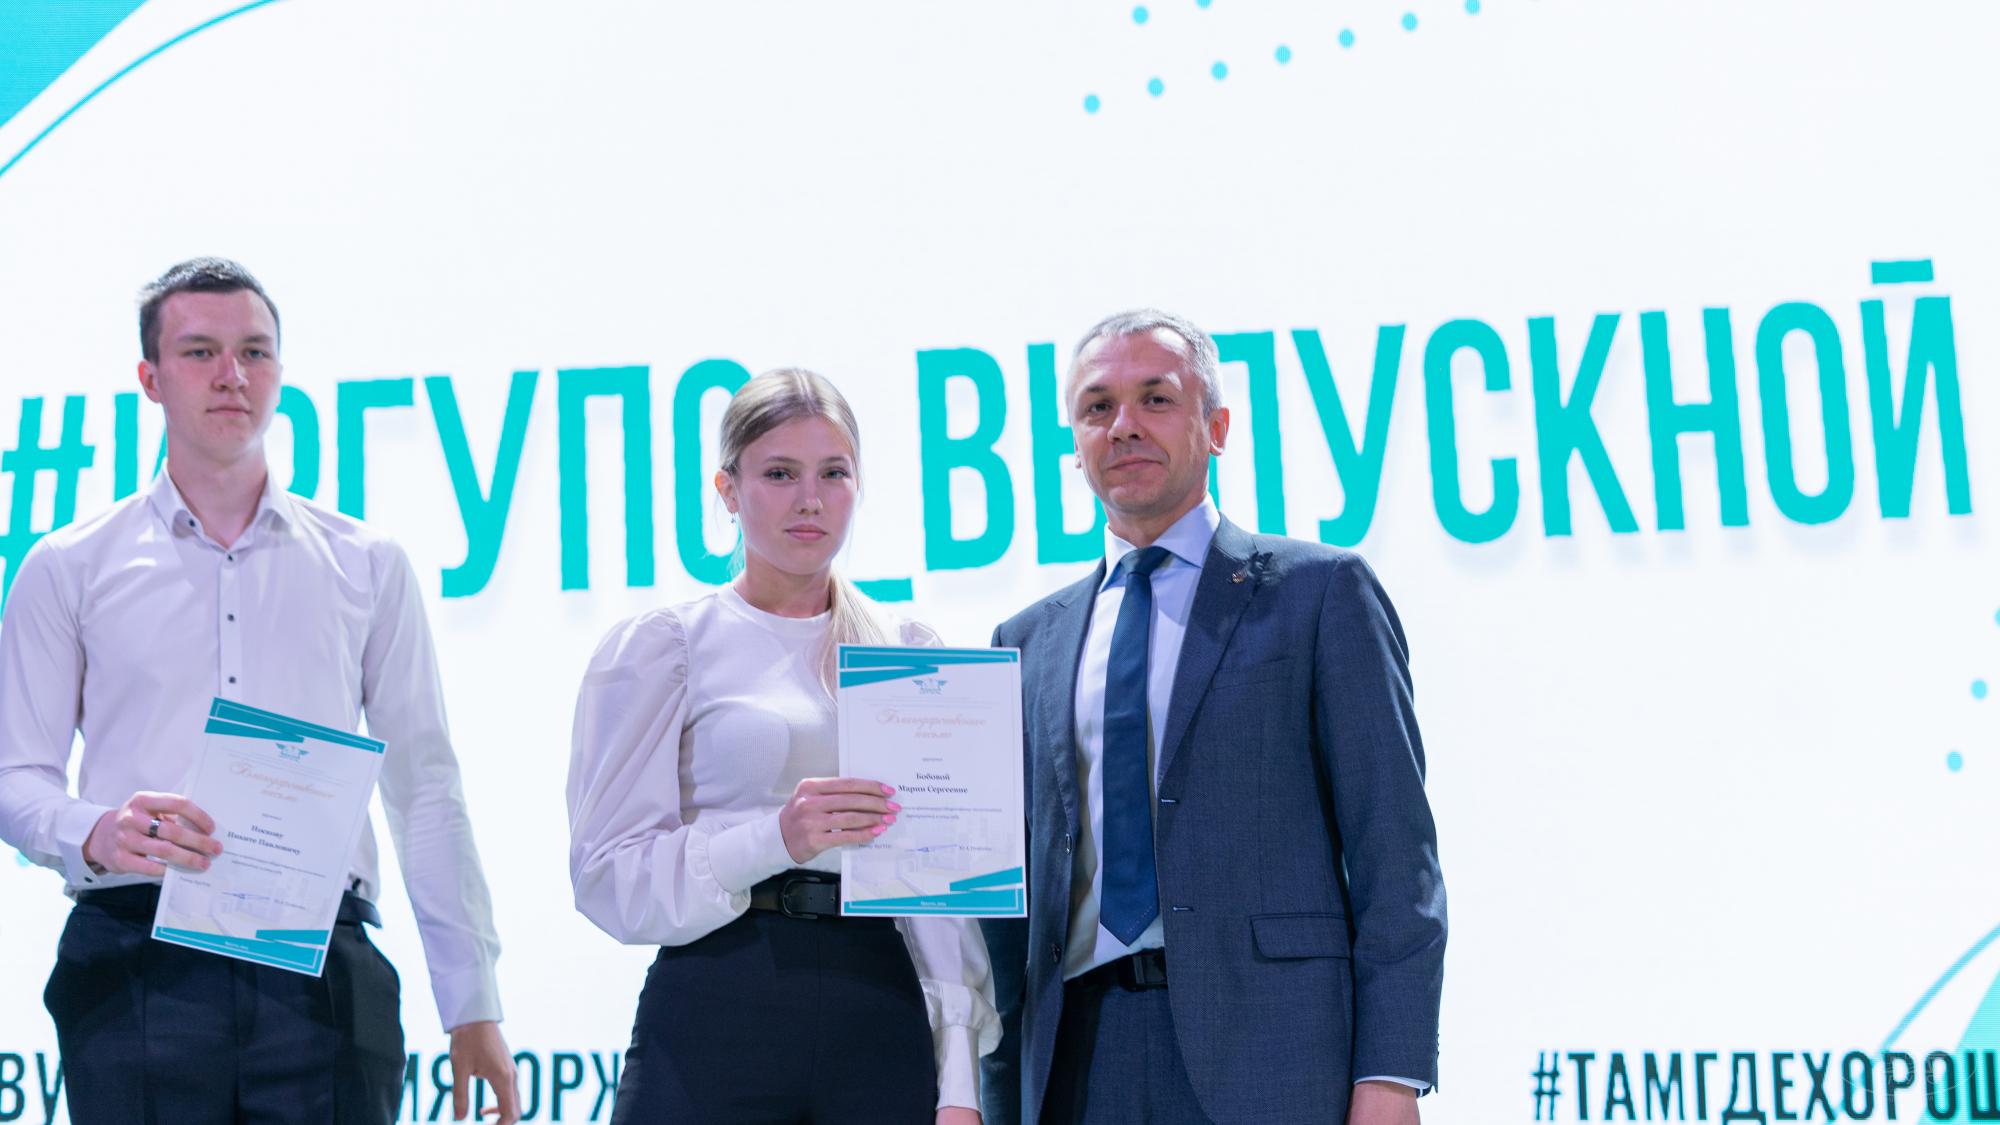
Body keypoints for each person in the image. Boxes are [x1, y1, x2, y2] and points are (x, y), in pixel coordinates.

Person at [0, 257, 520, 1123]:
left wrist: (472, 1000)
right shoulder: (69, 566)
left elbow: (425, 786)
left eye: (254, 351)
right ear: (150, 378)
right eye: (200, 351)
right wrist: (94, 829)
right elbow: (15, 775)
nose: (232, 375)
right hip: (136, 955)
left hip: (321, 964)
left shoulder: (366, 563)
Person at [979, 310, 1447, 1124]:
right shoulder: (1024, 643)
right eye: (1098, 407)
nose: (1124, 425)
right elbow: (1006, 908)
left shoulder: (1320, 592)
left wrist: (1391, 1070)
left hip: (1278, 1053)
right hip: (1077, 1061)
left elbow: (1394, 850)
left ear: (1217, 427)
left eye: (1156, 398)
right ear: (1075, 444)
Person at [567, 367, 998, 1123]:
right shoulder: (666, 645)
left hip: (878, 1003)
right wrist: (776, 838)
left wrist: (959, 1082)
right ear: (728, 489)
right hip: (717, 991)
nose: (810, 499)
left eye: (833, 473)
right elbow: (606, 874)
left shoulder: (906, 650)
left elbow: (940, 893)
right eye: (779, 473)